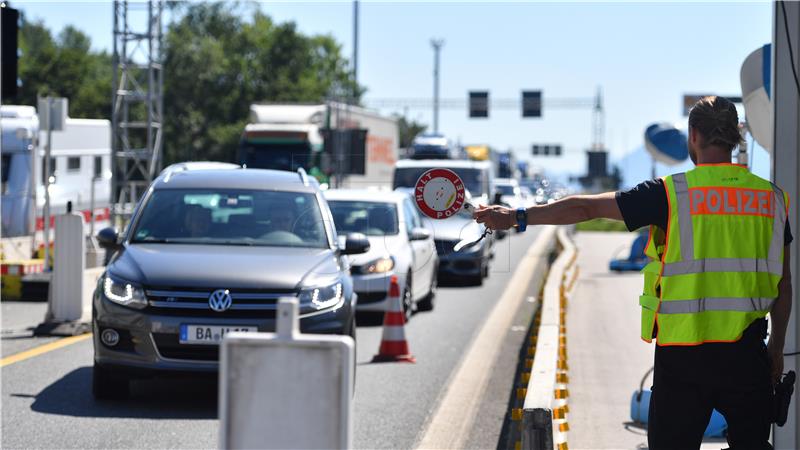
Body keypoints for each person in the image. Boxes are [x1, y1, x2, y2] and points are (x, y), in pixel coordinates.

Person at [474, 96, 793, 449]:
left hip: (683, 359)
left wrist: (517, 217)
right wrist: (775, 350)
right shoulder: (771, 199)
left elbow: (585, 207)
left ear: (693, 136)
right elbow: (784, 285)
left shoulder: (671, 194)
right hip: (746, 357)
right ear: (736, 137)